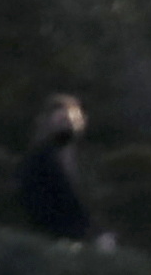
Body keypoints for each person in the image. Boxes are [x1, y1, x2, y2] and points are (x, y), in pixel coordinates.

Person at [19, 96, 111, 246]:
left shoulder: (89, 159)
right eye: (62, 121)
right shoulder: (36, 162)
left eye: (73, 121)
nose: (68, 126)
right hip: (52, 239)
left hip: (94, 236)